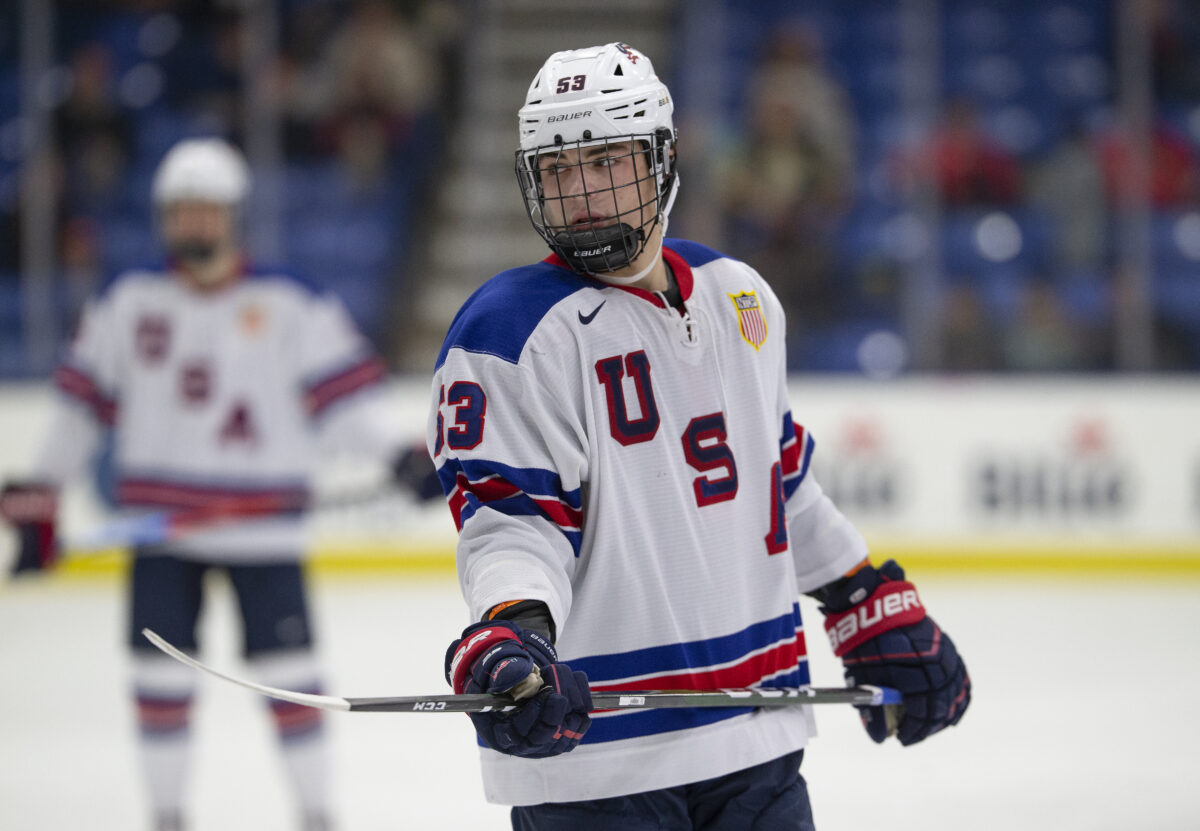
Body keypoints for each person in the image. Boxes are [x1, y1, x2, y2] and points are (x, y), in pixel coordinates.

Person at [428, 43, 971, 830]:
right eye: (557, 169)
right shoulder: (510, 330)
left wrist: (864, 597)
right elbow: (515, 525)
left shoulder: (740, 296)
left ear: (661, 157)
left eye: (606, 160)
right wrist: (515, 630)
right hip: (599, 759)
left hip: (759, 732)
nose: (580, 193)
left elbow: (781, 484)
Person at [0, 137, 437, 831]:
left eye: (206, 209)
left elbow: (346, 402)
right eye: (181, 210)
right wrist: (39, 486)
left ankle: (316, 815)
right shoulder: (128, 303)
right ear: (164, 218)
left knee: (293, 679)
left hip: (264, 535)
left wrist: (396, 453)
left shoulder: (290, 303)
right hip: (161, 535)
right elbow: (80, 404)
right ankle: (167, 816)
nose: (195, 223)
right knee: (158, 682)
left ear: (232, 215)